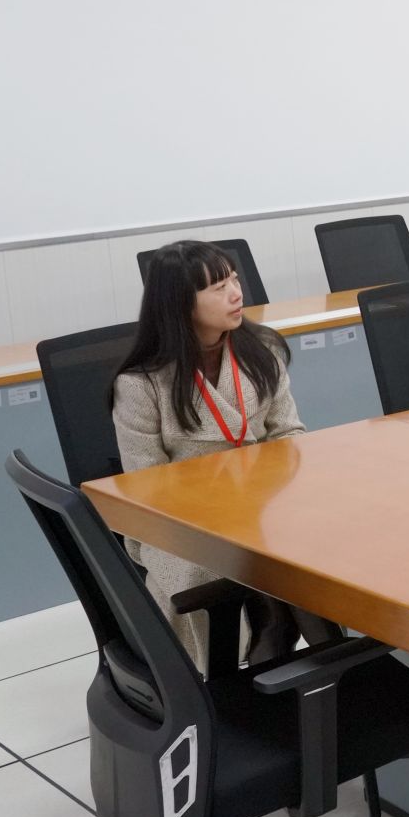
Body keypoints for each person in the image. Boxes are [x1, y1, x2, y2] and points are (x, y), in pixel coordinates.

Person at [112, 240, 331, 671]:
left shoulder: (262, 349)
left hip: (267, 502)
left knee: (322, 547)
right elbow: (146, 488)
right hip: (184, 521)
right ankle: (220, 679)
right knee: (209, 575)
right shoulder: (141, 383)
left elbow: (289, 434)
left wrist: (272, 497)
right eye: (218, 287)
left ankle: (332, 662)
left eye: (234, 279)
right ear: (180, 303)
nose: (236, 293)